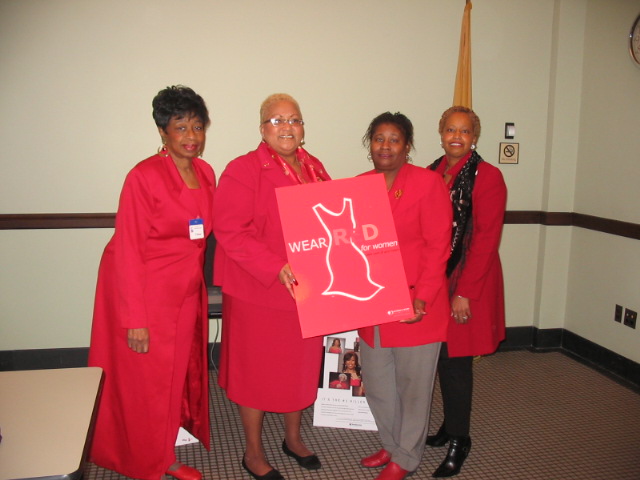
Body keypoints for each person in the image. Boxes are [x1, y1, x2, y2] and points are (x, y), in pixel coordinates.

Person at [88, 85, 214, 480]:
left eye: (197, 126)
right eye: (181, 127)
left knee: (172, 379)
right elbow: (126, 251)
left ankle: (164, 454)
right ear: (163, 131)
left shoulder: (206, 173)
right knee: (144, 384)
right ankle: (145, 462)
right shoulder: (143, 176)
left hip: (183, 292)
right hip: (142, 291)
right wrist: (134, 318)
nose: (192, 136)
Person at [213, 93, 331, 480]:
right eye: (277, 120)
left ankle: (293, 439)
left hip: (305, 291)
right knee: (257, 374)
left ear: (303, 128)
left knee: (298, 369)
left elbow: (332, 222)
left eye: (294, 120)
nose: (287, 127)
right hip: (258, 292)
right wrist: (274, 265)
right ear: (263, 129)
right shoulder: (243, 170)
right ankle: (252, 453)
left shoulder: (314, 167)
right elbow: (231, 231)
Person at [357, 112, 452, 480]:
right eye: (379, 138)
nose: (385, 146)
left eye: (394, 139)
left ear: (407, 145)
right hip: (373, 305)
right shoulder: (359, 185)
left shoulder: (428, 184)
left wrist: (423, 297)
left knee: (413, 388)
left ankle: (407, 457)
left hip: (416, 303)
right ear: (370, 145)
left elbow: (437, 246)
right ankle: (391, 443)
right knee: (379, 386)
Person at [426, 106, 507, 478]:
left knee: (457, 362)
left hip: (467, 281)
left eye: (465, 131)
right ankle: (448, 425)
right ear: (440, 133)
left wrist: (465, 293)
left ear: (475, 137)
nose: (456, 137)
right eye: (450, 130)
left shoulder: (487, 176)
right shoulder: (432, 172)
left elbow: (487, 240)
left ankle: (461, 438)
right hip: (436, 280)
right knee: (440, 356)